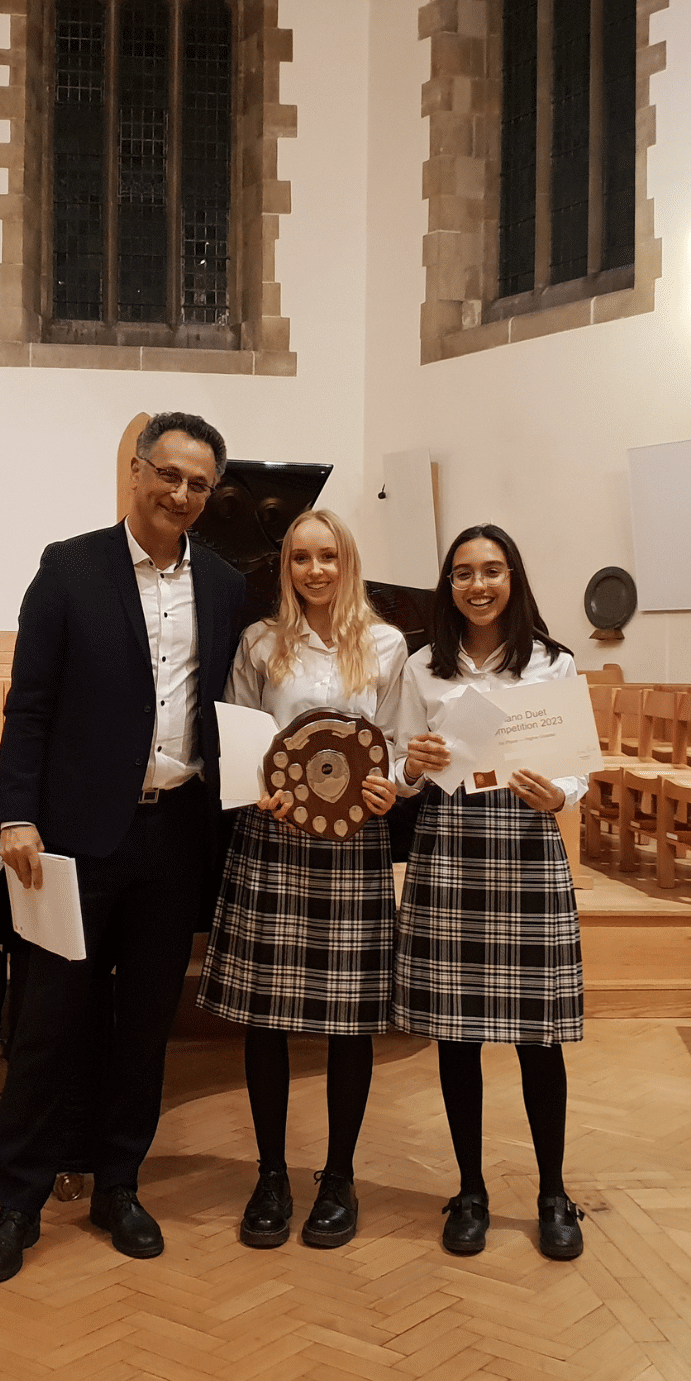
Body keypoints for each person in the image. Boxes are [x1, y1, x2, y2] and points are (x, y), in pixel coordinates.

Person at [0, 412, 247, 1286]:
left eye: (199, 485)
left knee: (145, 1028)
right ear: (136, 471)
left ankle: (119, 1185)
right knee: (48, 1021)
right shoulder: (70, 567)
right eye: (168, 475)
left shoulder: (233, 589)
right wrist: (17, 816)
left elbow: (238, 715)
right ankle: (17, 1201)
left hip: (174, 837)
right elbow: (31, 704)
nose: (181, 495)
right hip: (75, 839)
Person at [195, 510, 407, 1251]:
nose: (315, 571)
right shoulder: (261, 643)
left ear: (347, 561)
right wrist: (255, 785)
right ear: (286, 568)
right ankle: (272, 1175)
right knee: (268, 1015)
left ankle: (339, 1177)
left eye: (327, 557)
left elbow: (400, 746)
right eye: (300, 560)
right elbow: (240, 737)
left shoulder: (387, 644)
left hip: (353, 846)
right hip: (275, 837)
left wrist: (394, 786)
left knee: (351, 1020)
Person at [392, 523, 590, 1261]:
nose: (479, 585)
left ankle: (551, 1192)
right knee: (458, 1034)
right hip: (448, 847)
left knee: (539, 1037)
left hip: (527, 847)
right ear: (448, 586)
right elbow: (402, 766)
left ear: (514, 579)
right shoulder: (422, 669)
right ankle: (469, 1190)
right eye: (464, 572)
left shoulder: (554, 663)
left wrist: (557, 795)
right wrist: (412, 763)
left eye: (493, 570)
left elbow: (578, 772)